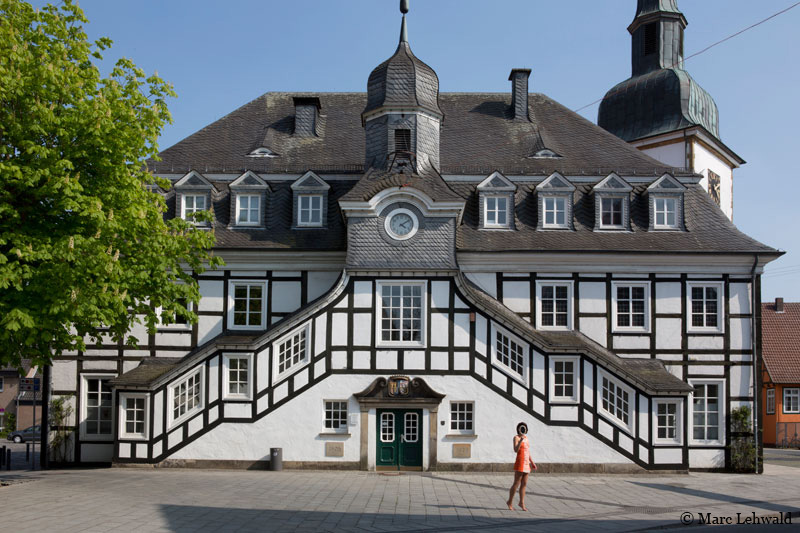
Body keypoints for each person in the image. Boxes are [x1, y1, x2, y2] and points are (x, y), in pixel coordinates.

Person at [507, 422, 536, 511]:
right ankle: (510, 501)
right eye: (521, 428)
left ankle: (521, 502)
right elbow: (516, 450)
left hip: (526, 463)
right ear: (518, 429)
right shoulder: (516, 438)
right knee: (516, 483)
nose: (523, 430)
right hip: (520, 462)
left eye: (524, 428)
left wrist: (532, 462)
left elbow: (528, 451)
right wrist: (520, 441)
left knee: (524, 484)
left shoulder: (526, 438)